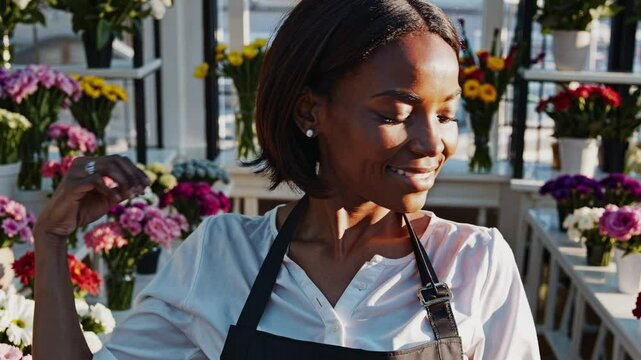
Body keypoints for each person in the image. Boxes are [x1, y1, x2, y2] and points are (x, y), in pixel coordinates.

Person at [34, 0, 540, 359]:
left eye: (447, 114)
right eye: (394, 113)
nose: (432, 143)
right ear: (309, 110)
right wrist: (52, 241)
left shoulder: (476, 263)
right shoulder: (221, 254)